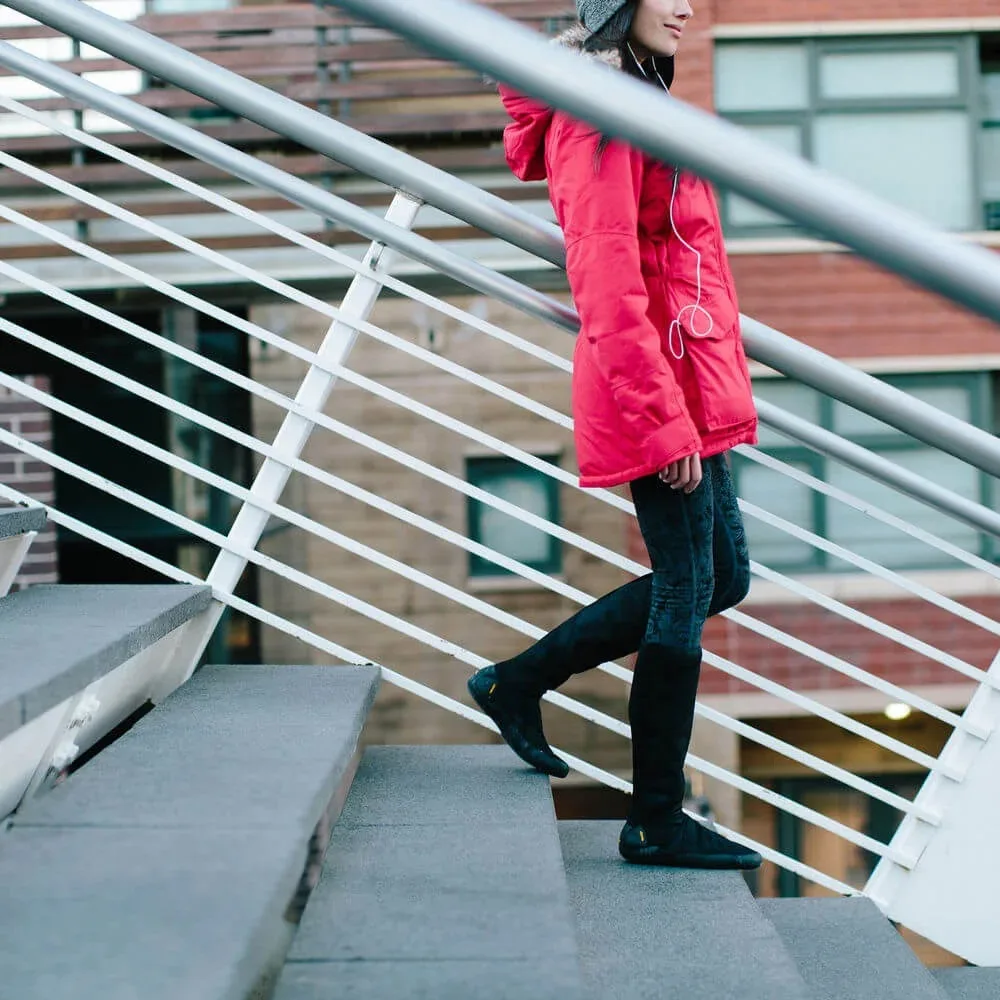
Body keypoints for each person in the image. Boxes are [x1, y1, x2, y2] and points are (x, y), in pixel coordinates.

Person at [468, 0, 762, 870]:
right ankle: (655, 819)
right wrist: (662, 421)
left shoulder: (637, 97)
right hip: (654, 384)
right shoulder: (598, 116)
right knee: (686, 586)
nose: (686, 6)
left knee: (723, 577)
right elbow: (604, 280)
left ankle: (518, 681)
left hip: (687, 375)